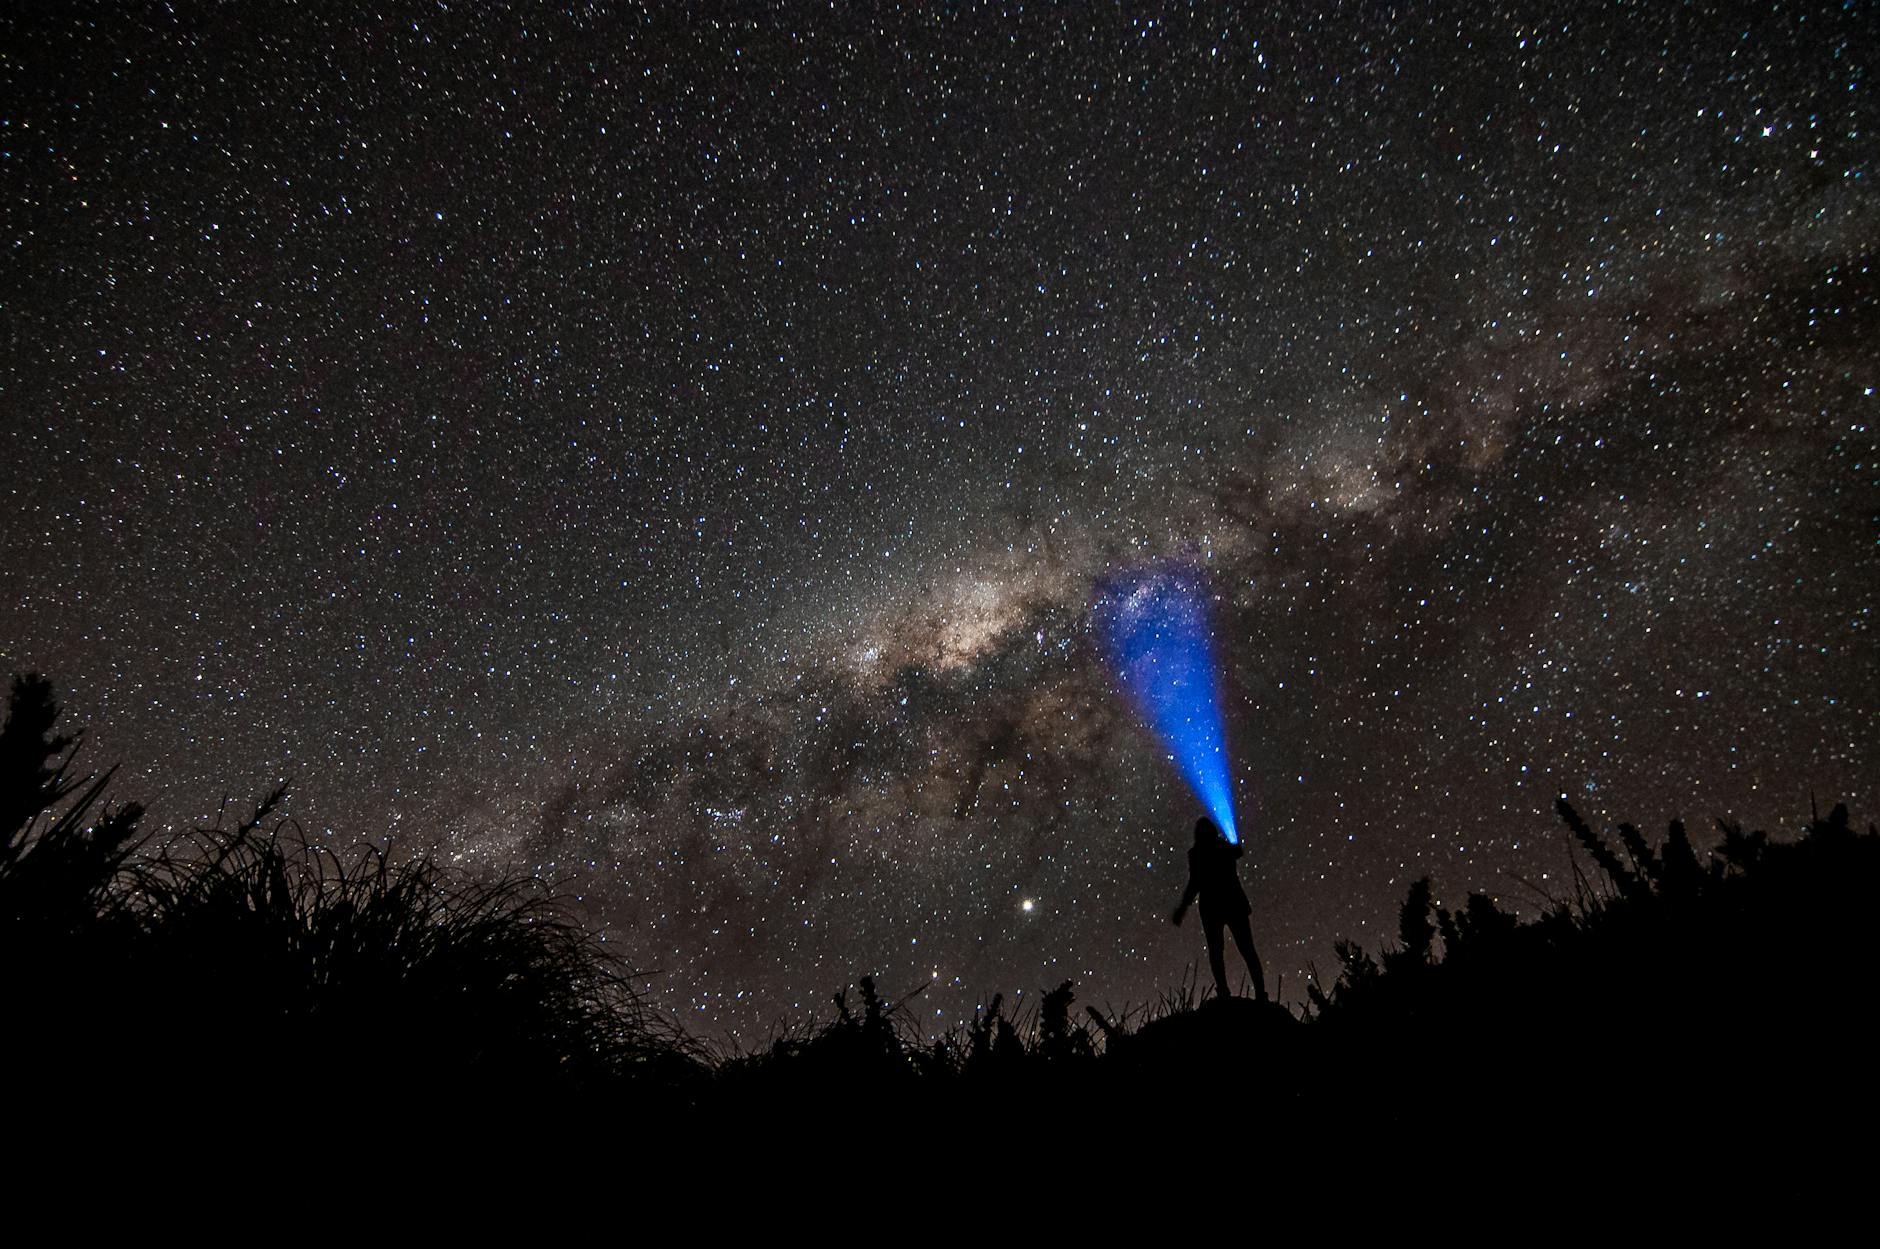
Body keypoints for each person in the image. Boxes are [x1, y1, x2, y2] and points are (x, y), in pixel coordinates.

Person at [1171, 816, 1268, 1002]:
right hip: (1233, 903)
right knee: (1246, 949)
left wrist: (1182, 908)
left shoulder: (1197, 853)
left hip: (1212, 908)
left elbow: (1194, 883)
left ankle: (1224, 991)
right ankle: (1260, 993)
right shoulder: (1224, 848)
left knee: (1218, 951)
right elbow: (1235, 854)